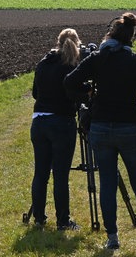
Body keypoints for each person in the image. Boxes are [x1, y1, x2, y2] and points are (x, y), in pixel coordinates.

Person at [64, 13, 136, 255]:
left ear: (111, 34)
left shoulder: (97, 58)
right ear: (131, 37)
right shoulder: (134, 60)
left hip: (101, 129)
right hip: (129, 129)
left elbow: (69, 82)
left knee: (107, 184)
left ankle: (112, 239)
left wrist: (89, 93)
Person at [30, 28, 83, 231]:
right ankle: (63, 221)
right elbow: (75, 95)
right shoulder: (70, 66)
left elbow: (35, 93)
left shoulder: (43, 63)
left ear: (57, 42)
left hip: (39, 122)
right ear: (77, 44)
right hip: (62, 123)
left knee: (40, 173)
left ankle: (39, 219)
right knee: (60, 175)